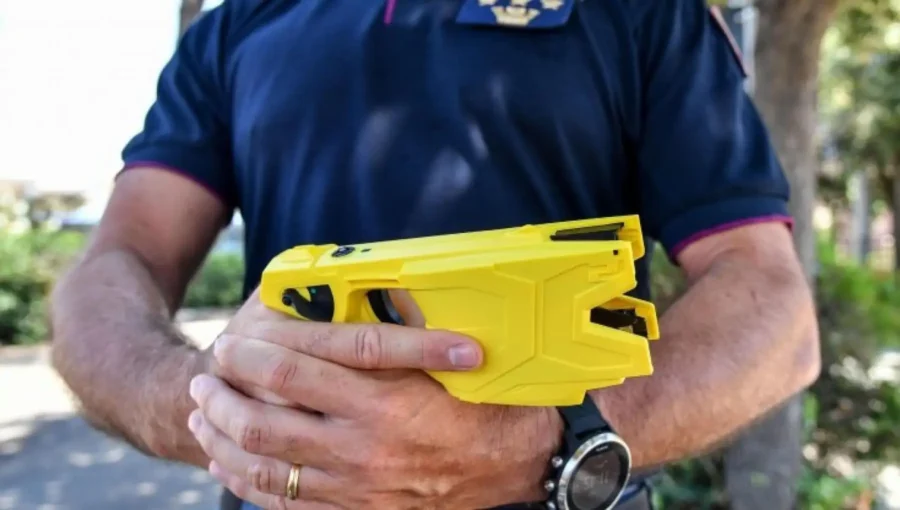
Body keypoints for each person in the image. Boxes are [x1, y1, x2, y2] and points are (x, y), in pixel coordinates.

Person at [48, 0, 821, 508]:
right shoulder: (235, 27)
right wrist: (209, 409)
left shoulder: (644, 12)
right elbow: (116, 263)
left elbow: (771, 306)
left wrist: (540, 445)